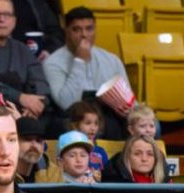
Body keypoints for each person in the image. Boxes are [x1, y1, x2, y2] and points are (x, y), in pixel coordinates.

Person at [42, 6, 130, 136]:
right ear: (66, 31)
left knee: (150, 125)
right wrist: (79, 61)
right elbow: (67, 103)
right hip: (75, 119)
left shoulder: (111, 60)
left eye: (89, 29)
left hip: (109, 116)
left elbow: (129, 100)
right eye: (76, 29)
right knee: (91, 126)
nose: (84, 35)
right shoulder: (52, 63)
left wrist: (133, 112)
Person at [0, 0, 51, 119]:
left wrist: (36, 104)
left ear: (14, 21)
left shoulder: (22, 49)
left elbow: (40, 83)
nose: (2, 19)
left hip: (25, 115)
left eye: (7, 15)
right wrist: (21, 97)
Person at [100, 134, 168, 183]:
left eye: (150, 154)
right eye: (137, 154)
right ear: (127, 157)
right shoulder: (113, 181)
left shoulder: (165, 183)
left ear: (156, 159)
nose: (144, 159)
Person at [14, 114, 60, 182]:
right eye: (27, 139)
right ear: (13, 141)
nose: (34, 145)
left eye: (39, 141)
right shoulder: (0, 171)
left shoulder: (50, 171)